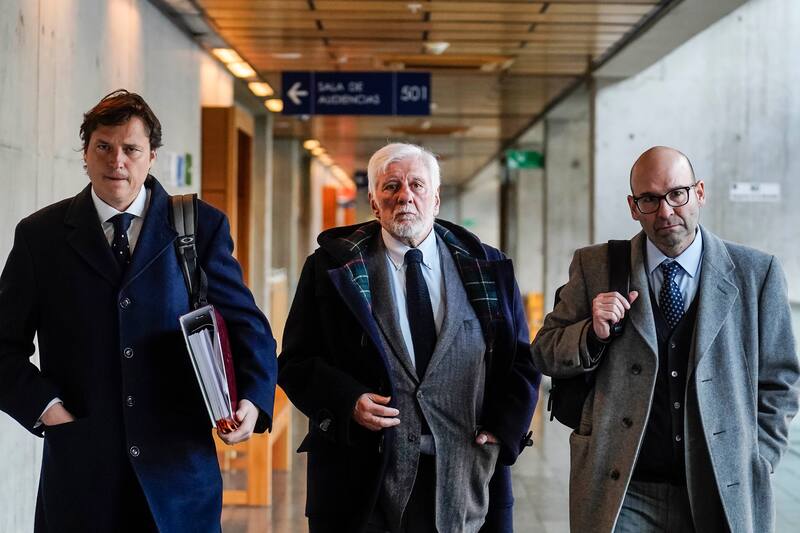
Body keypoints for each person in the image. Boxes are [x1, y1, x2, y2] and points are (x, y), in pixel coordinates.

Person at [0, 89, 278, 532]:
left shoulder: (200, 226)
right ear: (85, 154)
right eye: (103, 147)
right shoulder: (41, 236)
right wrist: (48, 409)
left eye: (131, 149)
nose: (117, 161)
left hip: (178, 476)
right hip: (82, 475)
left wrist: (253, 400)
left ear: (151, 157)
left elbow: (248, 326)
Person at [531, 146, 800, 532]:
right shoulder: (596, 266)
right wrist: (590, 334)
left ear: (700, 193)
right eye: (650, 199)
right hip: (623, 488)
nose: (666, 211)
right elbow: (544, 352)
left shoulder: (756, 273)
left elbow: (780, 379)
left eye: (677, 194)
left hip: (717, 487)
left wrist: (760, 456)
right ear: (633, 207)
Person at [278, 143, 540, 533]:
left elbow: (520, 358)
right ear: (373, 202)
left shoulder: (487, 268)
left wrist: (505, 425)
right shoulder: (331, 269)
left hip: (467, 472)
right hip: (363, 479)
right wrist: (347, 400)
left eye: (417, 185)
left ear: (435, 200)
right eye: (391, 186)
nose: (405, 196)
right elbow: (296, 361)